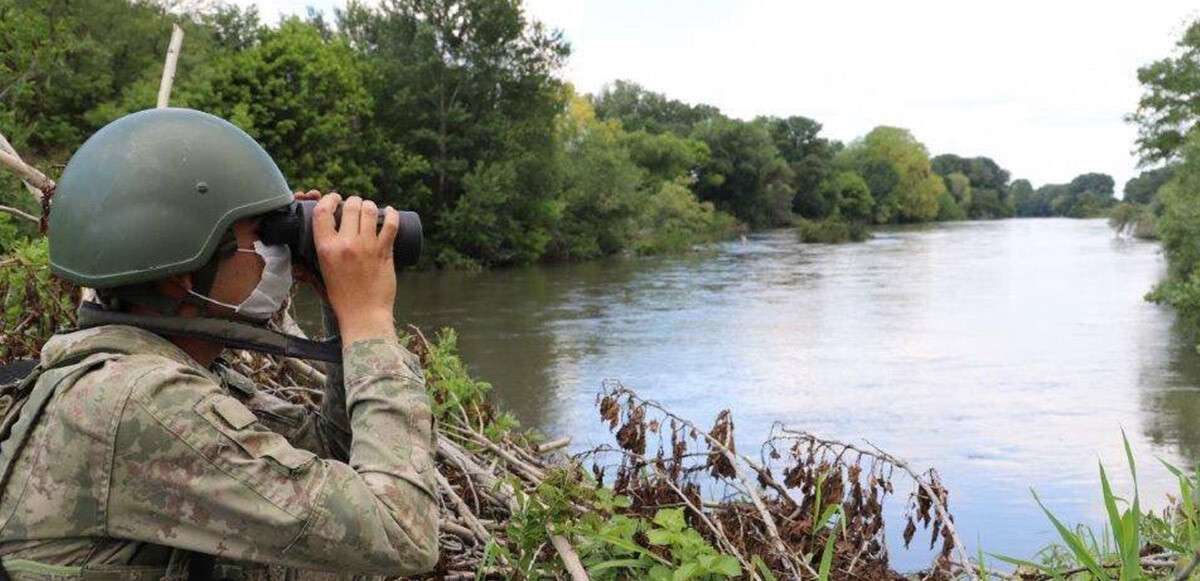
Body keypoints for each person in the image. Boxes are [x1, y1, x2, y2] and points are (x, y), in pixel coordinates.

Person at [0, 108, 439, 580]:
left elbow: (332, 452)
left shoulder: (158, 368)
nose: (278, 252)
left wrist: (338, 305)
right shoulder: (137, 400)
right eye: (261, 234)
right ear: (182, 276)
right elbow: (401, 533)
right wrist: (370, 321)